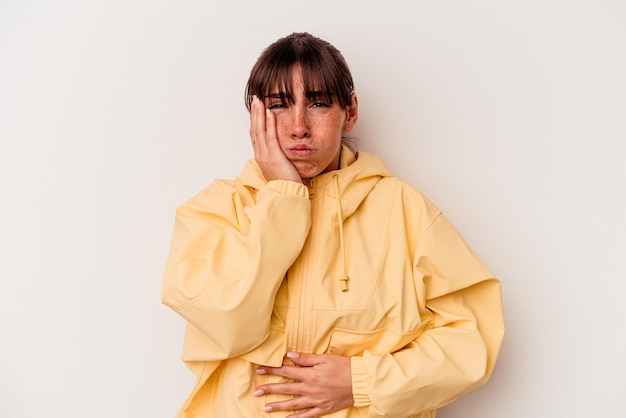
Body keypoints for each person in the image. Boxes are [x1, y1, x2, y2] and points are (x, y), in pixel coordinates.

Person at [161, 32, 504, 418]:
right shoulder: (217, 211)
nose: (298, 127)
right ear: (255, 116)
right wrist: (284, 197)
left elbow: (472, 340)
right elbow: (228, 324)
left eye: (319, 103)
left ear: (351, 111)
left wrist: (362, 381)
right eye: (279, 105)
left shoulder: (403, 209)